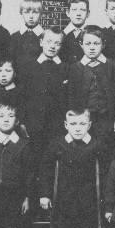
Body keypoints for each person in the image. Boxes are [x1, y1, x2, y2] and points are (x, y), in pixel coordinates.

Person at [39, 109, 104, 228]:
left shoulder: (96, 145)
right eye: (73, 124)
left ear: (89, 125)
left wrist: (104, 197)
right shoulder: (57, 145)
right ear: (66, 125)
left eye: (82, 124)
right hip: (64, 200)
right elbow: (45, 169)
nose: (78, 128)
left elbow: (106, 172)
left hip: (88, 200)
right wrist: (45, 194)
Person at [68, 25, 115, 168]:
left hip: (106, 119)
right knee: (85, 155)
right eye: (88, 43)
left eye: (96, 44)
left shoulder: (111, 65)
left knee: (107, 154)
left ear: (103, 45)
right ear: (81, 44)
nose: (92, 47)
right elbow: (71, 97)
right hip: (84, 120)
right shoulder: (75, 68)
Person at [23, 27, 69, 171]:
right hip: (32, 125)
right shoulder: (29, 66)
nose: (52, 46)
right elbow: (23, 96)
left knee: (50, 163)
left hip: (56, 126)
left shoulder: (65, 68)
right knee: (32, 161)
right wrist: (23, 122)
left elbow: (68, 99)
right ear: (41, 42)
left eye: (57, 43)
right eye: (49, 41)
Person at [9, 0, 44, 83]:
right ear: (21, 13)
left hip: (39, 81)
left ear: (41, 14)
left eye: (35, 12)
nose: (31, 16)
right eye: (27, 12)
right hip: (18, 81)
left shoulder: (45, 36)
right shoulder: (14, 37)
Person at [59, 0, 90, 65]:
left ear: (88, 13)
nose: (78, 13)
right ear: (68, 13)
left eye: (82, 10)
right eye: (74, 10)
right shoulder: (60, 35)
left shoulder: (93, 35)